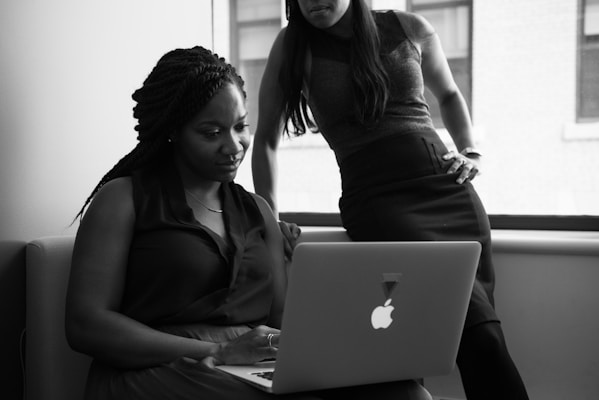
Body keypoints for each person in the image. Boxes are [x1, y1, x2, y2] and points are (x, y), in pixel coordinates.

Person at [65, 46, 431, 400]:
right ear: (172, 131)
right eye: (211, 133)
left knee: (407, 392)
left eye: (240, 126)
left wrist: (349, 352)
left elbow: (282, 320)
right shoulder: (124, 198)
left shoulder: (257, 211)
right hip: (157, 368)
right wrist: (222, 350)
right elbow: (86, 325)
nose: (234, 145)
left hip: (253, 366)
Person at [251, 1, 530, 399]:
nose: (314, 2)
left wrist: (471, 152)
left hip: (448, 192)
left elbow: (449, 94)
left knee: (479, 337)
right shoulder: (293, 45)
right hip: (379, 204)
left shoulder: (409, 26)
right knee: (458, 338)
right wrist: (270, 223)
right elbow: (265, 140)